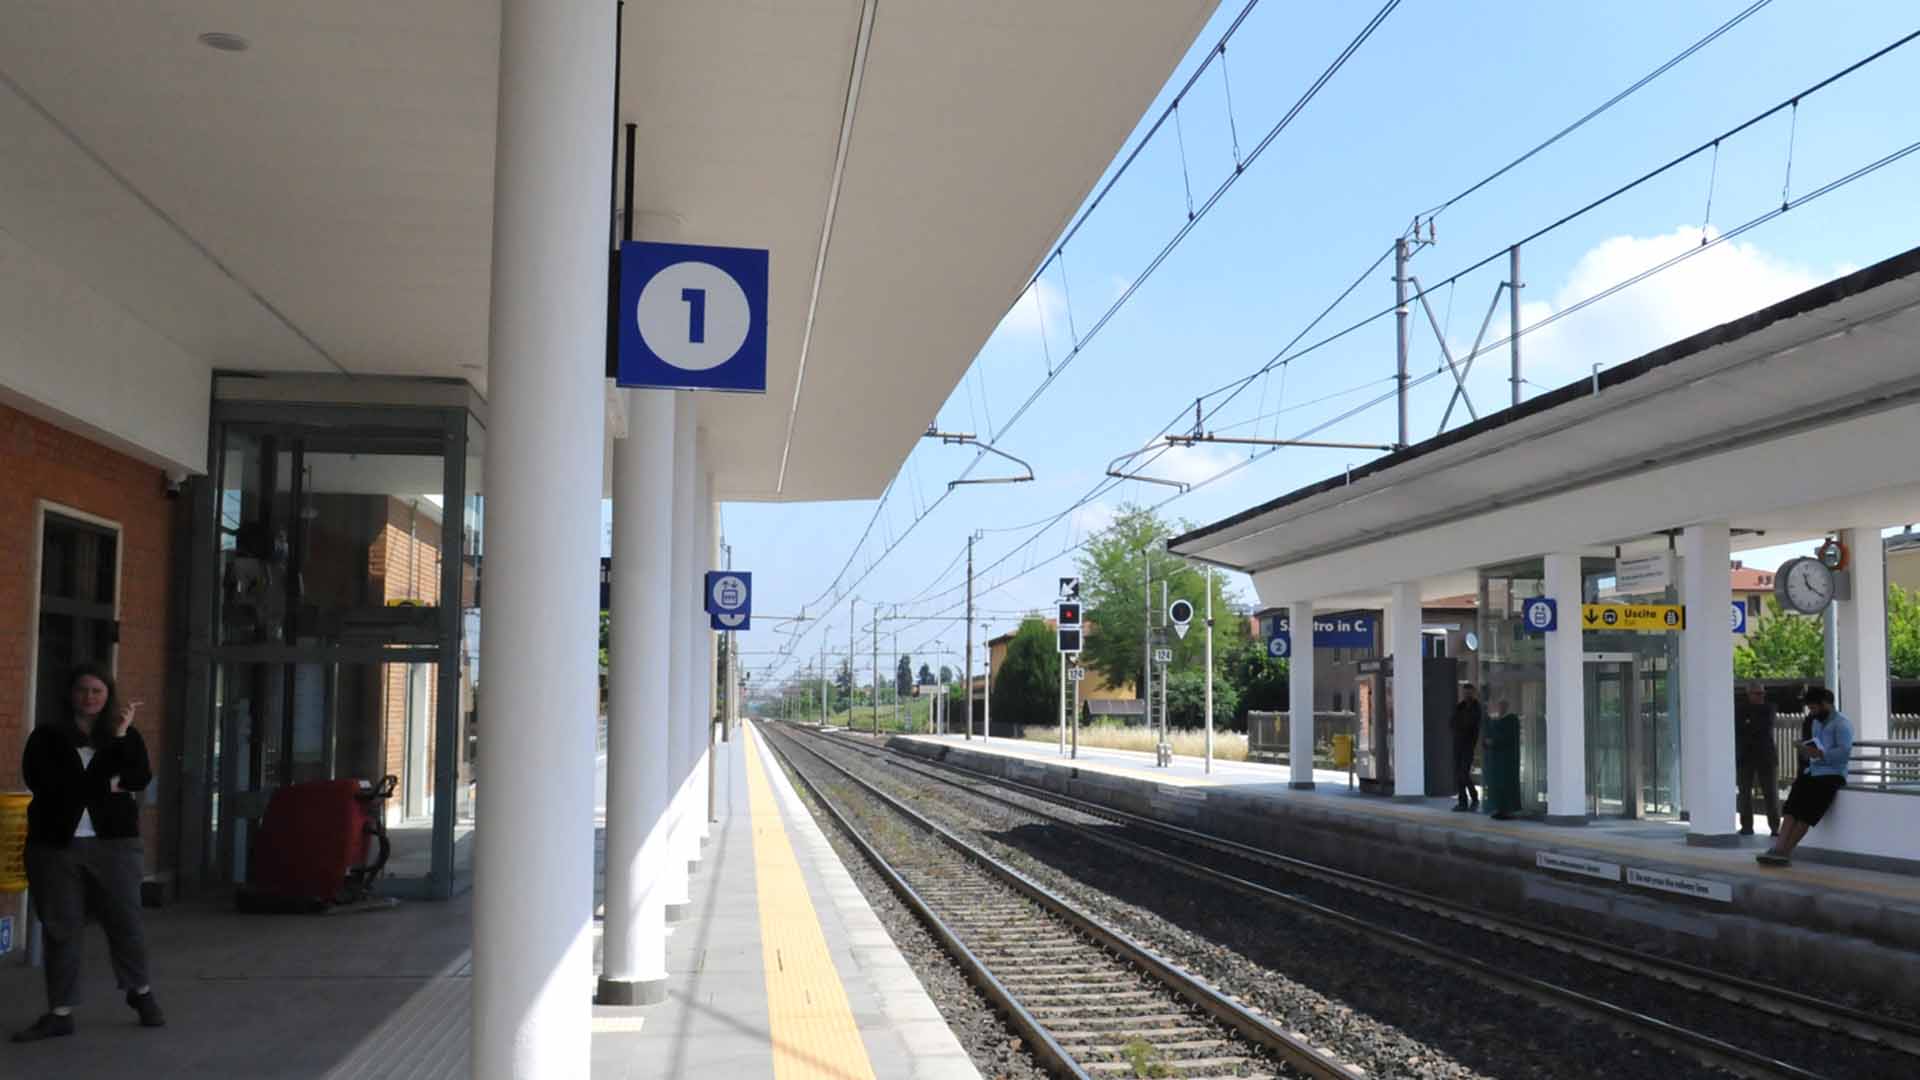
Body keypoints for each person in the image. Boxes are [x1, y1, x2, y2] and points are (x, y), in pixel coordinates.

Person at [12, 664, 166, 1043]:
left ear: (108, 695)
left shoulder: (125, 736)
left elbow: (139, 777)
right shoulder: (47, 737)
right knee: (61, 927)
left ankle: (140, 992)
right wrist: (105, 779)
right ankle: (60, 1011)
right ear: (70, 694)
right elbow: (42, 781)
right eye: (83, 690)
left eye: (97, 691)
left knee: (125, 920)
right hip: (56, 846)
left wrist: (115, 742)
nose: (90, 698)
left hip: (114, 845)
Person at [1757, 687, 1852, 867]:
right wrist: (1806, 751)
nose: (1812, 712)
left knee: (1806, 815)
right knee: (1792, 808)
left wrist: (1821, 755)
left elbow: (1844, 753)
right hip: (1812, 771)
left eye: (1814, 708)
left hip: (1831, 775)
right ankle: (1777, 848)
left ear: (1825, 704)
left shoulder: (1842, 724)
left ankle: (1786, 852)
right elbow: (1815, 746)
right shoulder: (1816, 722)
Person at [1734, 684, 1781, 836]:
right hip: (1745, 756)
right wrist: (1750, 725)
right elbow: (1738, 727)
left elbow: (1765, 727)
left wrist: (1749, 724)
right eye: (1757, 693)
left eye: (1762, 693)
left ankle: (1775, 828)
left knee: (1771, 793)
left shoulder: (1769, 707)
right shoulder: (1739, 708)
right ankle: (1746, 826)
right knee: (1744, 793)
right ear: (1749, 694)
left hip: (1766, 756)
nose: (1761, 696)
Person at [1481, 698, 1522, 820]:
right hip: (1496, 758)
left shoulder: (1512, 719)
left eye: (1503, 705)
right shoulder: (1496, 719)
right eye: (1499, 705)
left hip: (1507, 759)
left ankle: (1508, 810)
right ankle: (1500, 809)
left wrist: (1494, 742)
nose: (1500, 707)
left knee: (1507, 784)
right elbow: (1488, 734)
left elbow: (1509, 738)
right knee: (1497, 784)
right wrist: (1487, 742)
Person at [1450, 683, 1483, 811]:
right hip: (1458, 744)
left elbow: (1471, 724)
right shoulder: (1460, 706)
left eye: (1469, 693)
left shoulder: (1476, 707)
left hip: (1468, 745)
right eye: (1465, 693)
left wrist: (1462, 725)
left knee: (1463, 773)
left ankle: (1472, 798)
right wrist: (1460, 725)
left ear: (1473, 693)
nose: (1466, 695)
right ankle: (1463, 802)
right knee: (1459, 773)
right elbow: (1452, 723)